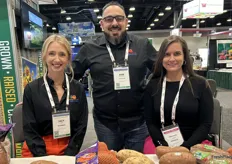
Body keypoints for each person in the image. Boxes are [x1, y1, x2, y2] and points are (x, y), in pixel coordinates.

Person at [72, 1, 156, 152]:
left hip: (138, 122)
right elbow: (70, 77)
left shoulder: (142, 45)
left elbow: (162, 72)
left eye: (119, 18)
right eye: (109, 19)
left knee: (136, 161)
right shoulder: (89, 48)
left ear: (126, 22)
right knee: (108, 160)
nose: (115, 23)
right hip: (105, 124)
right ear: (102, 24)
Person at [22, 34, 88, 157]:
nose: (57, 59)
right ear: (44, 56)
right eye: (51, 53)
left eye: (62, 54)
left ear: (68, 58)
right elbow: (30, 129)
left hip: (69, 148)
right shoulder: (31, 89)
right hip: (37, 149)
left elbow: (81, 126)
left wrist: (68, 155)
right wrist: (43, 157)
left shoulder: (77, 89)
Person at [144, 35, 213, 149]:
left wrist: (186, 147)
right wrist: (162, 145)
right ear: (161, 58)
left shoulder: (200, 84)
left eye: (177, 54)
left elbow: (205, 124)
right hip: (160, 143)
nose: (172, 59)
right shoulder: (152, 85)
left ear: (185, 57)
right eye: (167, 55)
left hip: (195, 143)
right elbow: (150, 123)